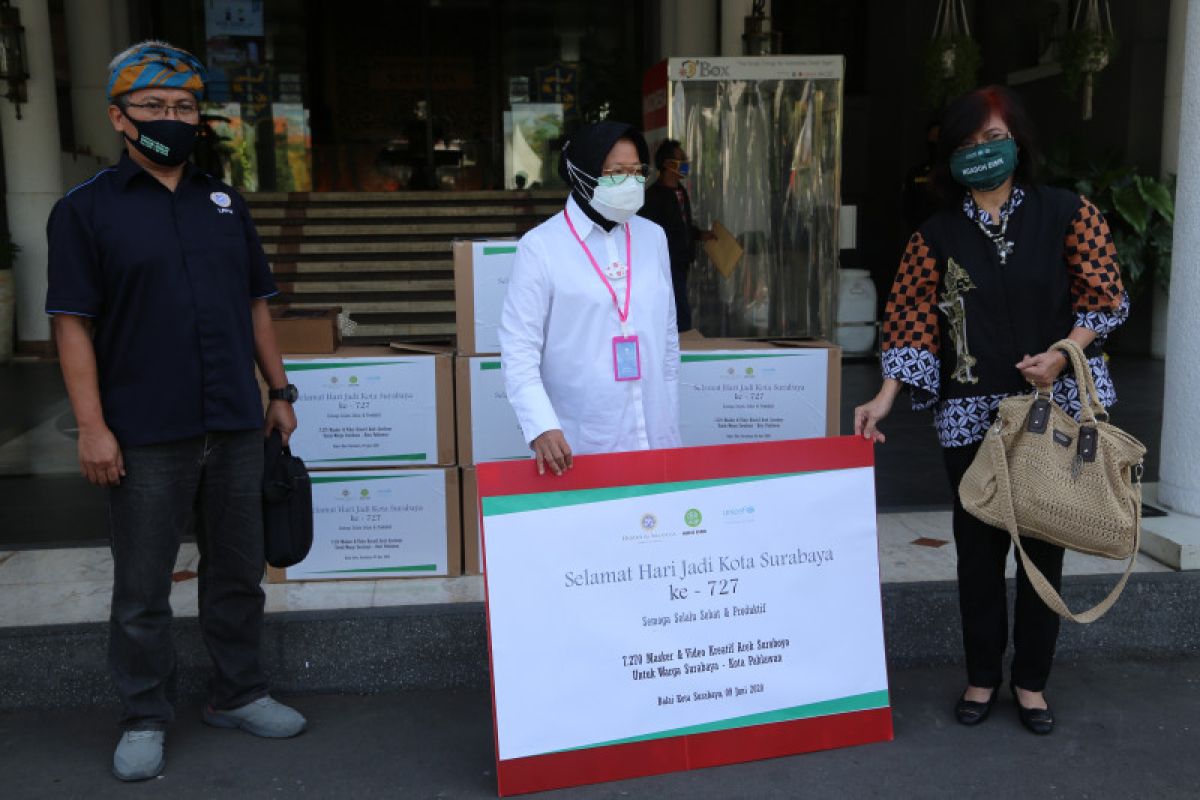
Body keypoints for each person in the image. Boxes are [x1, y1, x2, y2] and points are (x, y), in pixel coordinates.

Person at [45, 41, 307, 782]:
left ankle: (239, 692)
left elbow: (257, 307)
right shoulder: (84, 211)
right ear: (119, 117)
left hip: (234, 423)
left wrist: (279, 392)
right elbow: (72, 324)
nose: (173, 118)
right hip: (143, 432)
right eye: (156, 106)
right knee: (141, 589)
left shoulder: (224, 203)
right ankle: (143, 714)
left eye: (185, 106)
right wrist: (92, 427)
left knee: (236, 573)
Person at [854, 86, 1127, 736]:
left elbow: (1103, 296)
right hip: (969, 418)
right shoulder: (936, 235)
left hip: (1049, 411)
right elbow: (912, 322)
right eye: (969, 143)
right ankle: (982, 675)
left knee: (1044, 542)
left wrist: (1066, 353)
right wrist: (886, 396)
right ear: (950, 156)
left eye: (993, 138)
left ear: (1019, 141)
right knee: (977, 552)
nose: (984, 151)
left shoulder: (1068, 214)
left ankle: (1031, 681)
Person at [500, 121, 681, 475]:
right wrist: (541, 426)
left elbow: (668, 338)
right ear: (582, 173)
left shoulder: (653, 237)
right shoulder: (541, 247)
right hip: (579, 442)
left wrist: (670, 420)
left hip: (655, 437)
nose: (630, 183)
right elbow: (518, 349)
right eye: (616, 173)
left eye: (637, 172)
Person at [637, 139, 715, 332]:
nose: (686, 163)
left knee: (678, 303)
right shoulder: (653, 197)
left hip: (682, 260)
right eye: (681, 159)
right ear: (667, 164)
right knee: (679, 309)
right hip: (666, 262)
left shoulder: (680, 191)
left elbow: (683, 225)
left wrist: (699, 234)